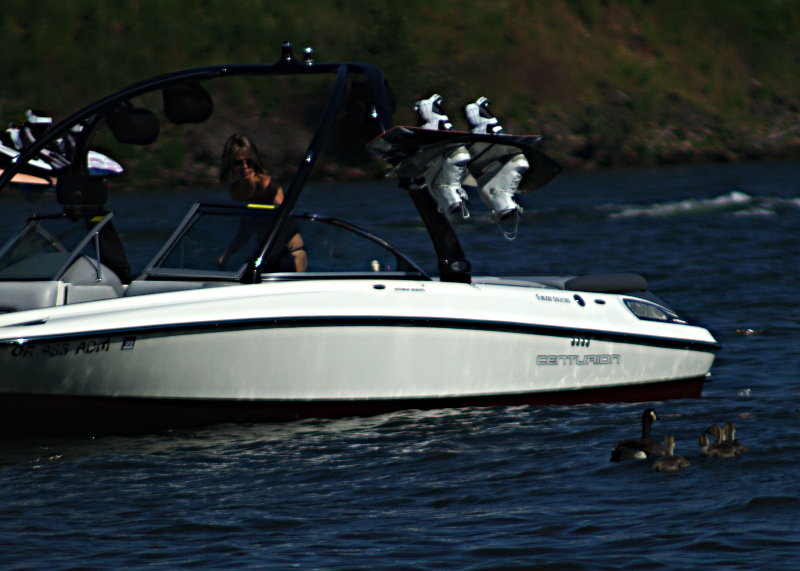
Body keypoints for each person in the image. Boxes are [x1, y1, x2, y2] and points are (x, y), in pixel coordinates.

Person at [218, 133, 307, 272]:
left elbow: (285, 222)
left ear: (254, 161)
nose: (244, 166)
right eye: (238, 163)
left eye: (249, 161)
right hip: (265, 254)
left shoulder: (267, 186)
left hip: (290, 253)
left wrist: (265, 254)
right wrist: (226, 255)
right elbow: (246, 230)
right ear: (230, 164)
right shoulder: (236, 192)